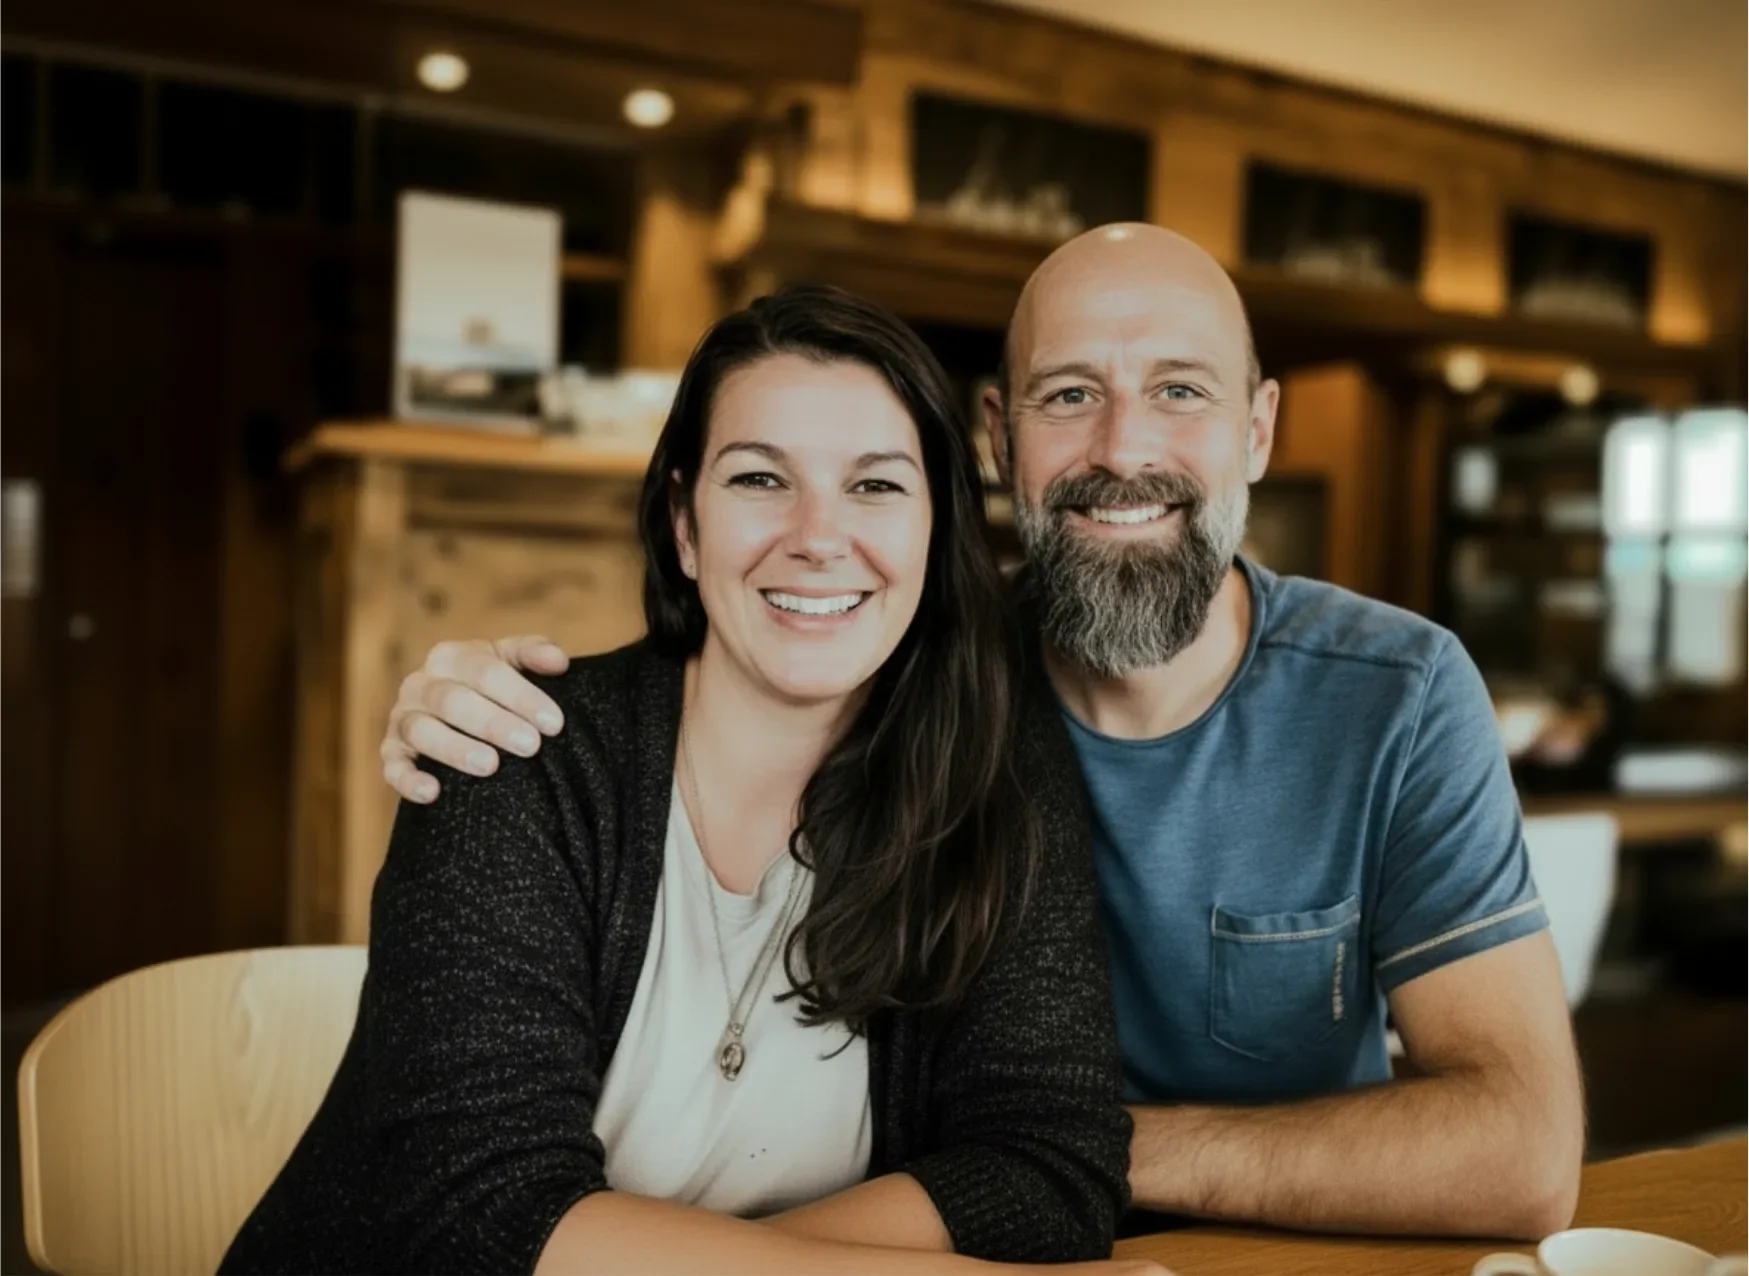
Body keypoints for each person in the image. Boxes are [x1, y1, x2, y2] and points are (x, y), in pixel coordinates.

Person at [386, 225, 1587, 1244]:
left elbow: (1523, 1148)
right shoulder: (925, 683)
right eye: (1072, 396)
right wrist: (479, 698)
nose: (1124, 449)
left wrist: (1075, 1150)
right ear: (1001, 438)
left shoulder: (1396, 691)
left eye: (1181, 390)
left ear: (1258, 430)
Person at [225, 285, 1155, 1276]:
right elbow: (481, 1214)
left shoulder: (997, 770)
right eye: (760, 479)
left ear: (937, 530)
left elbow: (1052, 1166)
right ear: (683, 522)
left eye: (877, 486)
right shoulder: (514, 752)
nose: (817, 534)